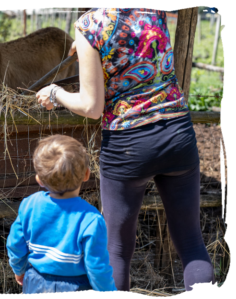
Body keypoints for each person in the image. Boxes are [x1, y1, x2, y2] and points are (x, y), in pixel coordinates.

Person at [36, 7, 215, 292]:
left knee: (116, 250)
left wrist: (56, 93)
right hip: (177, 133)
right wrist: (84, 45)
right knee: (192, 242)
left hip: (128, 143)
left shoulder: (90, 25)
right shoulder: (152, 9)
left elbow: (91, 107)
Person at [6, 135, 117, 294]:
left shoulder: (30, 205)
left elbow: (15, 244)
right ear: (86, 174)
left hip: (35, 282)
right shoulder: (91, 219)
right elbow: (97, 268)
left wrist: (19, 270)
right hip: (77, 286)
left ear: (39, 179)